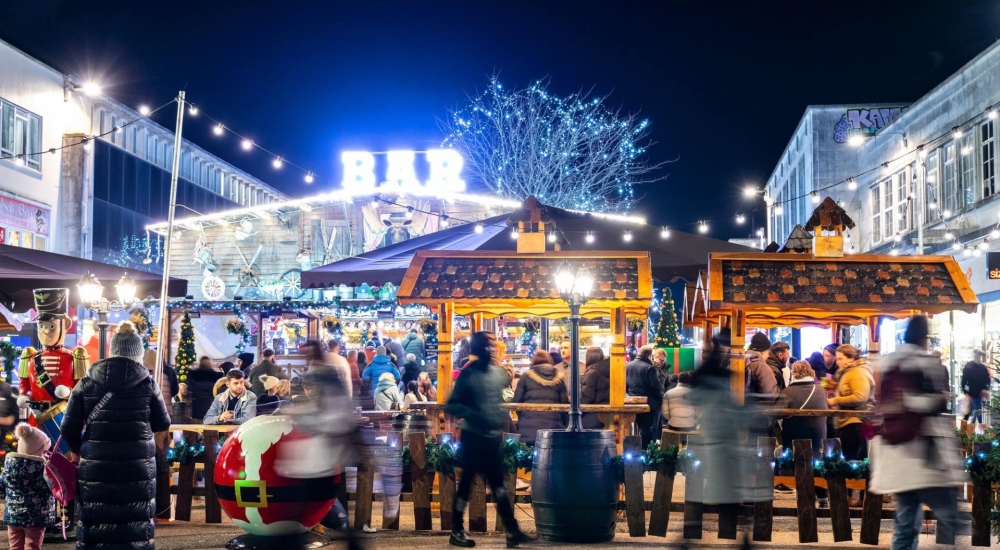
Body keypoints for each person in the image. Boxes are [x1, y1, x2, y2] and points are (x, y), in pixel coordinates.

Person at [60, 322, 171, 550]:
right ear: (138, 355)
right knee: (135, 520)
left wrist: (79, 449)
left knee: (96, 519)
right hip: (137, 465)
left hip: (96, 464)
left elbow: (68, 426)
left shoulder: (86, 383)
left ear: (112, 351)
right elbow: (162, 423)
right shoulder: (148, 384)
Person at [870, 315, 965, 550]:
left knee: (905, 521)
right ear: (924, 338)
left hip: (895, 452)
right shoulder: (922, 363)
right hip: (923, 453)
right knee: (949, 514)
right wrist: (940, 399)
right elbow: (917, 402)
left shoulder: (889, 363)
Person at [445, 332, 533, 547]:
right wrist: (475, 414)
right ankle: (457, 530)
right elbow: (453, 404)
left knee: (498, 485)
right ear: (478, 348)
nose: (490, 349)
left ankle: (512, 530)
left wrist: (496, 415)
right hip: (473, 437)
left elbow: (500, 397)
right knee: (467, 485)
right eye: (486, 345)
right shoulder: (468, 374)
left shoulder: (496, 373)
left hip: (490, 436)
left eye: (491, 345)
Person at [779, 361, 829, 507]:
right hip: (818, 433)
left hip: (795, 433)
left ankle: (804, 499)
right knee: (817, 464)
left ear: (794, 373)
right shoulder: (820, 390)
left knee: (799, 464)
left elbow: (778, 413)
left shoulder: (787, 392)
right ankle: (822, 498)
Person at [0, 424, 55, 550]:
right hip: (36, 518)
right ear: (41, 450)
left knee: (15, 547)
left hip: (13, 516)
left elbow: (1, 488)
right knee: (32, 546)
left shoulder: (9, 467)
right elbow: (53, 489)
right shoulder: (44, 470)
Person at [828, 344, 875, 462]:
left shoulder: (857, 372)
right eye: (837, 359)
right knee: (847, 460)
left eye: (840, 359)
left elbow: (860, 397)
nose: (837, 362)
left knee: (852, 460)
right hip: (847, 421)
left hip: (855, 422)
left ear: (851, 358)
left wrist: (835, 400)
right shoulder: (848, 372)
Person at [513, 350, 568, 445]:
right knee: (549, 452)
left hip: (529, 428)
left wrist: (523, 418)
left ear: (534, 361)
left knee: (529, 452)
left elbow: (517, 401)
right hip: (553, 429)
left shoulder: (526, 376)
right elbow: (564, 404)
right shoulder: (559, 377)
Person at [626, 345, 664, 448]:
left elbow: (625, 384)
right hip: (648, 402)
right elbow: (655, 386)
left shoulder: (628, 365)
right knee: (645, 428)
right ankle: (644, 450)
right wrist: (660, 399)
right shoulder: (649, 367)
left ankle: (634, 449)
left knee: (634, 428)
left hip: (631, 401)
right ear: (649, 356)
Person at [581, 346, 611, 429]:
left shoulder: (592, 373)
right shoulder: (611, 370)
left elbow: (587, 397)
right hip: (608, 414)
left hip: (593, 415)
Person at [187, 357, 224, 422]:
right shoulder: (216, 376)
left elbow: (190, 389)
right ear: (210, 364)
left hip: (196, 407)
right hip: (211, 406)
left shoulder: (193, 375)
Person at [745, 332, 779, 400]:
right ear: (763, 352)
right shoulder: (761, 366)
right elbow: (770, 394)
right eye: (768, 352)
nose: (768, 355)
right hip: (756, 405)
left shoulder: (743, 359)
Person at [961, 349, 991, 423]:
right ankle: (969, 428)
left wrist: (985, 389)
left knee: (972, 415)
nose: (978, 356)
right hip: (972, 395)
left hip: (978, 395)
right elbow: (964, 381)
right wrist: (966, 393)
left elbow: (987, 380)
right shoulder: (971, 366)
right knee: (974, 415)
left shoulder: (981, 367)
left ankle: (965, 428)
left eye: (979, 355)